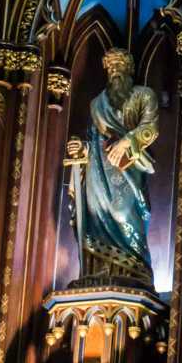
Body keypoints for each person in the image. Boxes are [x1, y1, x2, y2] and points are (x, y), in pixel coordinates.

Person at [65, 48, 159, 285]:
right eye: (111, 67)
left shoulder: (144, 95)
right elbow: (94, 138)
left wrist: (127, 140)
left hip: (129, 167)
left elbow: (151, 128)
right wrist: (82, 148)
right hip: (98, 171)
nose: (115, 70)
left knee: (123, 213)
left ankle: (134, 273)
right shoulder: (97, 103)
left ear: (129, 69)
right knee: (96, 217)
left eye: (120, 65)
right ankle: (98, 273)